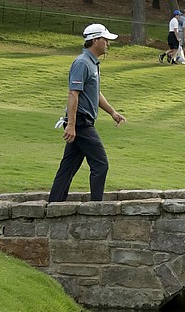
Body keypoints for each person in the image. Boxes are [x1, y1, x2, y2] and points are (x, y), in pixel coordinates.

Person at [48, 24, 126, 203]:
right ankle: (96, 206)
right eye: (104, 40)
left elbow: (95, 92)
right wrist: (72, 125)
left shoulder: (92, 63)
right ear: (94, 40)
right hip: (81, 123)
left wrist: (113, 112)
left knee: (68, 167)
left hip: (82, 122)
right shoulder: (82, 63)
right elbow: (73, 94)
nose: (107, 43)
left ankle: (54, 204)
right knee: (100, 164)